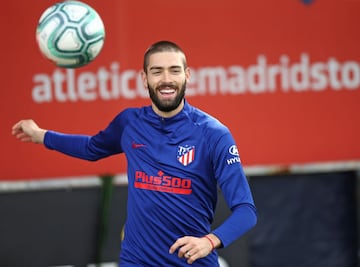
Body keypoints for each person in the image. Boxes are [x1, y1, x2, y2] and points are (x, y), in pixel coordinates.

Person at [12, 40, 257, 266]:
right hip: (136, 260)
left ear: (187, 75)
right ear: (144, 78)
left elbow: (246, 211)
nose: (166, 79)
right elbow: (91, 148)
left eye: (174, 70)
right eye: (157, 71)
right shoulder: (129, 123)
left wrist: (209, 241)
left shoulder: (214, 134)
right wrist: (41, 135)